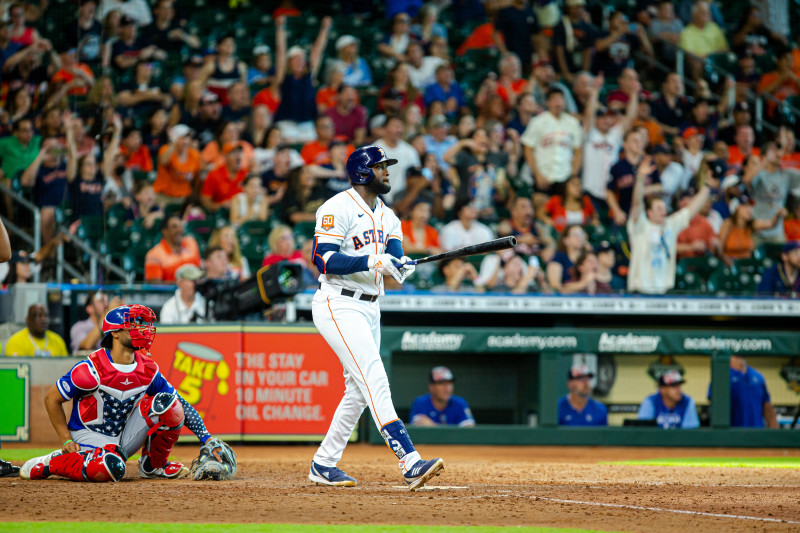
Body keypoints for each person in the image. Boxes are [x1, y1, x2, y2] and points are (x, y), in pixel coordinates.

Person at [308, 145, 444, 490]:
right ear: (363, 171)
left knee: (357, 390)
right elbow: (323, 259)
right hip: (338, 302)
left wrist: (401, 266)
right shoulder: (336, 207)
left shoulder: (390, 216)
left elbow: (394, 262)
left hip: (371, 306)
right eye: (381, 166)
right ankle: (410, 460)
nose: (387, 172)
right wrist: (372, 261)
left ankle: (324, 463)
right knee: (373, 376)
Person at [19, 304, 225, 482]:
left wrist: (207, 438)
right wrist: (65, 440)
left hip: (122, 439)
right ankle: (53, 462)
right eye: (133, 325)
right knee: (109, 468)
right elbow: (51, 398)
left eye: (141, 324)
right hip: (87, 436)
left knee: (170, 404)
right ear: (115, 333)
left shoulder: (148, 369)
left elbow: (180, 404)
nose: (142, 329)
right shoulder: (91, 369)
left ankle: (154, 466)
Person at [627, 157, 710, 294]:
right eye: (658, 208)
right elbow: (637, 204)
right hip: (640, 291)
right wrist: (641, 178)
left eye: (664, 208)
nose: (663, 211)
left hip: (663, 292)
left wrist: (707, 187)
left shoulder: (670, 225)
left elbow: (691, 209)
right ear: (649, 212)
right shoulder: (640, 226)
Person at [723, 356, 779, 428]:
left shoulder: (758, 377)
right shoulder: (722, 377)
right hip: (733, 436)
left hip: (757, 435)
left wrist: (776, 437)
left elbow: (768, 409)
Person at [409, 366, 475, 427]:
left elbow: (469, 430)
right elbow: (418, 430)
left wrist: (433, 426)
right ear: (431, 387)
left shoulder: (459, 403)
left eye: (449, 383)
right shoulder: (420, 403)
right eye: (442, 383)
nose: (447, 388)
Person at [144, 214, 202, 282]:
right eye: (174, 227)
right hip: (170, 292)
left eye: (181, 226)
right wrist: (183, 286)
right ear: (164, 231)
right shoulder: (154, 255)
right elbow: (155, 286)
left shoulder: (191, 243)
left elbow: (199, 271)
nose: (179, 230)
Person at [4, 303, 69, 357]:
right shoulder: (15, 341)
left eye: (46, 316)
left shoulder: (58, 341)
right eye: (38, 316)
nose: (43, 320)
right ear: (28, 320)